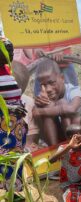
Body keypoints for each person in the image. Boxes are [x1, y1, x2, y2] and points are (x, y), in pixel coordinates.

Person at [32, 58, 81, 146]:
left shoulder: (74, 91)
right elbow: (36, 114)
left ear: (62, 78)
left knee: (62, 102)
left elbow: (71, 109)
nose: (48, 89)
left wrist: (41, 111)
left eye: (51, 82)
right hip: (57, 137)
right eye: (43, 85)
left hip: (77, 134)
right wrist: (40, 105)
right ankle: (54, 149)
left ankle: (71, 143)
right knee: (48, 105)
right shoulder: (44, 95)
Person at [0, 38, 28, 194]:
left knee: (15, 162)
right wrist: (10, 107)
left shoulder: (6, 70)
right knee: (4, 161)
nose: (11, 53)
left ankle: (14, 193)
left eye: (11, 50)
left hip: (15, 128)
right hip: (3, 130)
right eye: (6, 50)